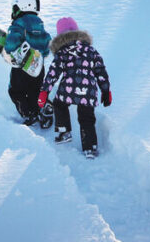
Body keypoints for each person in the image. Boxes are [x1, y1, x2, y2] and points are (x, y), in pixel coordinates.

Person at [38, 17, 112, 159]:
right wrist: (106, 91)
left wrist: (45, 91)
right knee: (87, 118)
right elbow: (101, 72)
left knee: (59, 104)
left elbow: (53, 73)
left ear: (60, 36)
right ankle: (90, 147)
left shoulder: (63, 52)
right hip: (89, 91)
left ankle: (64, 132)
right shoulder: (91, 50)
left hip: (68, 89)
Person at [1, 0, 52, 126]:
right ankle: (42, 110)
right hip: (38, 67)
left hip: (21, 68)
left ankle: (29, 114)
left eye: (15, 8)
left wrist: (7, 48)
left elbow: (11, 44)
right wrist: (42, 53)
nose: (13, 12)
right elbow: (47, 44)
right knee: (35, 91)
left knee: (15, 91)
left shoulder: (18, 24)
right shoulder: (40, 25)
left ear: (22, 6)